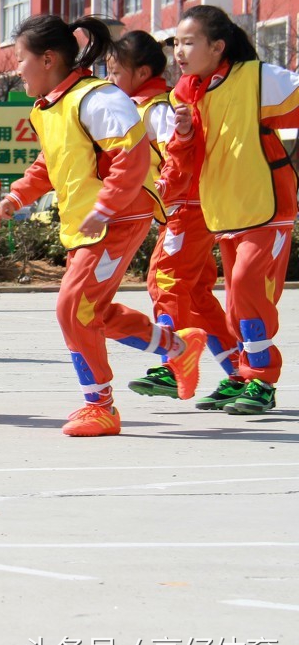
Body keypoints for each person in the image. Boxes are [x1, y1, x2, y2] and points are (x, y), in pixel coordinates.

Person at [0, 15, 205, 437]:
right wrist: (18, 195)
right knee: (96, 313)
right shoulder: (51, 107)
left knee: (72, 308)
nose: (16, 69)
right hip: (90, 224)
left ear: (48, 58)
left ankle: (100, 405)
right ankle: (178, 347)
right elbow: (51, 163)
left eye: (21, 59)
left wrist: (106, 206)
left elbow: (132, 155)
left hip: (118, 219)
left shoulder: (98, 98)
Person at [162, 4, 299, 415]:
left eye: (189, 42)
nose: (179, 52)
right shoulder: (183, 93)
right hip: (224, 210)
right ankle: (242, 374)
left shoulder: (260, 79)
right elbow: (183, 157)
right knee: (237, 300)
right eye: (175, 44)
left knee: (246, 286)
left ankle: (262, 379)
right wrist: (184, 133)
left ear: (218, 46)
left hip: (267, 204)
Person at [107, 31, 240, 405]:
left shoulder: (158, 108)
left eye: (115, 72)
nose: (110, 79)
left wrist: (165, 191)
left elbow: (182, 155)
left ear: (142, 71)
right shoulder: (138, 106)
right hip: (182, 208)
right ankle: (240, 371)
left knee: (163, 279)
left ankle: (172, 360)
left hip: (186, 207)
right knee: (195, 294)